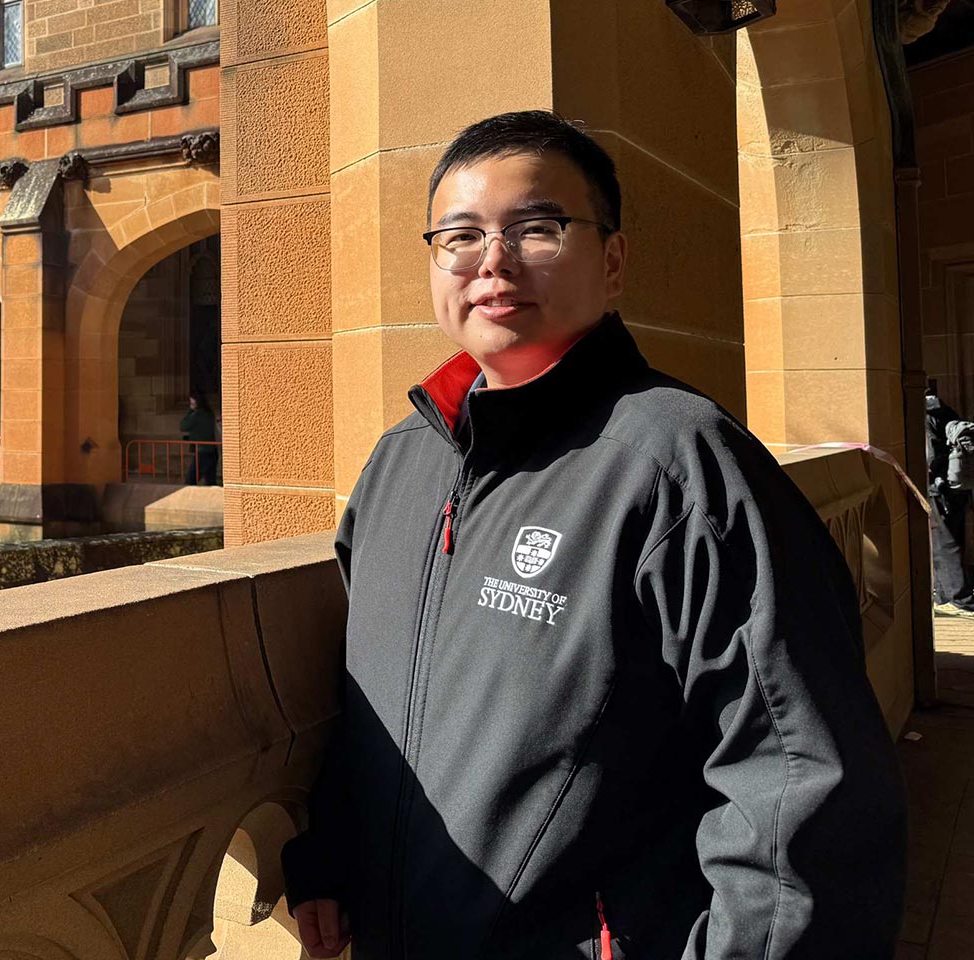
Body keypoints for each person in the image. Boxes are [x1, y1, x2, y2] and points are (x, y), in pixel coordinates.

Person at [281, 111, 905, 960]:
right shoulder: (399, 465)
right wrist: (328, 858)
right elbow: (375, 706)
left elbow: (801, 783)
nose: (492, 262)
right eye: (458, 236)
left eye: (537, 228)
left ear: (611, 263)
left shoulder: (680, 466)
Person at [926, 384, 974, 616]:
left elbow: (930, 455)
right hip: (958, 484)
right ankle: (945, 594)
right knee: (954, 537)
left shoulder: (924, 416)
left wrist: (933, 478)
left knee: (944, 542)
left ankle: (958, 598)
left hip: (939, 486)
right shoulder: (946, 410)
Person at [179, 391, 218, 485]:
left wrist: (190, 411)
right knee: (210, 481)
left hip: (202, 451)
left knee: (190, 480)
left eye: (192, 403)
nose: (191, 405)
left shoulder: (197, 415)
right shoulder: (209, 413)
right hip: (212, 450)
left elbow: (183, 426)